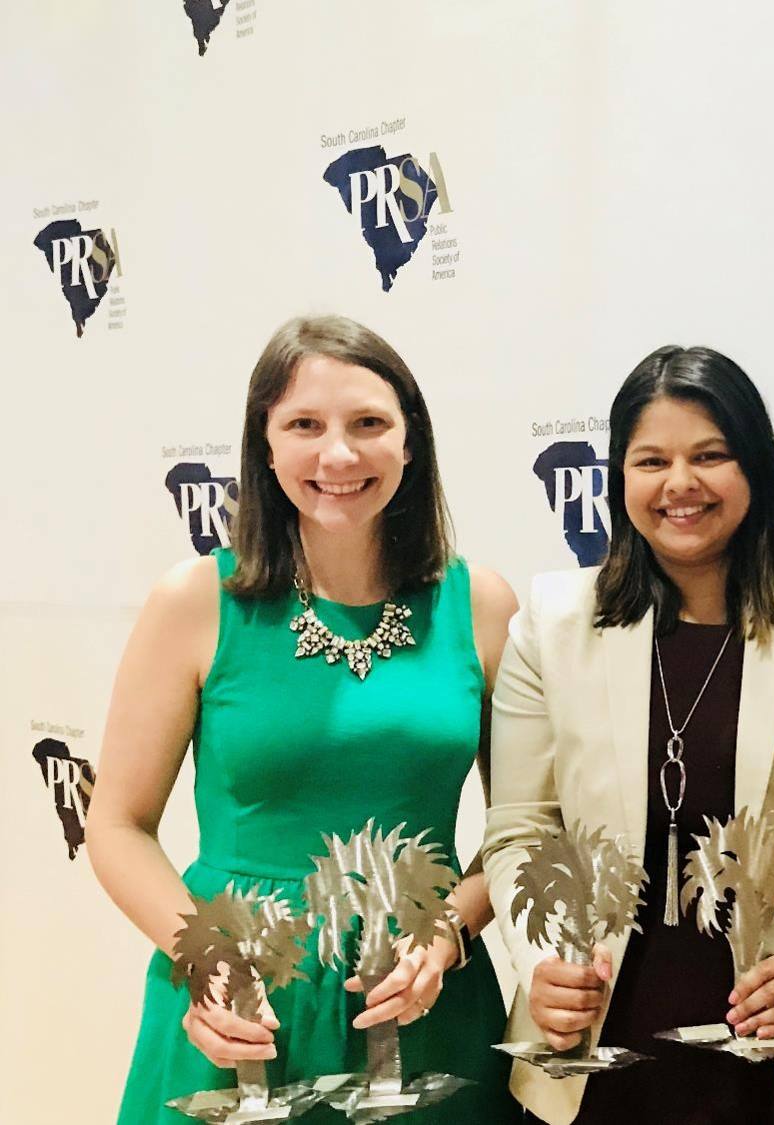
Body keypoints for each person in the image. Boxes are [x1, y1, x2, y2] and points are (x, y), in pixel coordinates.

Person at [88, 315, 522, 1123]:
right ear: (265, 444)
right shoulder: (195, 602)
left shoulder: (481, 605)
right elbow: (115, 822)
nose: (338, 455)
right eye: (304, 425)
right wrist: (203, 958)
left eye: (368, 423)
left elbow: (526, 823)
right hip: (238, 1000)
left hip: (422, 999)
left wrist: (450, 933)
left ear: (410, 440)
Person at [481, 346, 774, 1125]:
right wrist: (540, 954)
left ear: (757, 467)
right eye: (652, 460)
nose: (680, 483)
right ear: (619, 478)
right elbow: (520, 832)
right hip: (601, 1057)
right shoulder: (552, 624)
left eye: (710, 455)